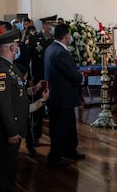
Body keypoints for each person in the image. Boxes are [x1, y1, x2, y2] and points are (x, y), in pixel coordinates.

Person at [0, 29, 29, 191]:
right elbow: (3, 104)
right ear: (12, 48)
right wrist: (11, 131)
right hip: (4, 132)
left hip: (14, 129)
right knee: (1, 174)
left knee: (10, 168)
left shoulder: (10, 67)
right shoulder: (1, 71)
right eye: (17, 45)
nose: (18, 48)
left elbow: (16, 94)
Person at [44, 24, 84, 167]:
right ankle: (55, 157)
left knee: (68, 125)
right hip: (62, 96)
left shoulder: (50, 48)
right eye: (69, 34)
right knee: (60, 128)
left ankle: (69, 150)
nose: (70, 37)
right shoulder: (60, 52)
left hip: (59, 96)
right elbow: (72, 74)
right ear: (66, 35)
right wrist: (80, 76)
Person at [26, 15, 56, 157]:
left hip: (52, 79)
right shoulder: (34, 39)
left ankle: (55, 135)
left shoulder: (54, 40)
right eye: (50, 25)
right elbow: (28, 60)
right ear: (44, 26)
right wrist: (30, 78)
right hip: (38, 79)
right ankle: (35, 136)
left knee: (53, 107)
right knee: (37, 110)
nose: (52, 28)